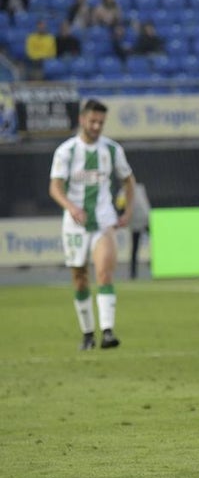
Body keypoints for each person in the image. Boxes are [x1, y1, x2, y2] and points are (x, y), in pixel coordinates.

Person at [49, 99, 134, 350]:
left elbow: (129, 181)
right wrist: (71, 207)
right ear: (82, 120)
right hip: (74, 225)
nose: (97, 126)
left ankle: (107, 331)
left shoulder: (112, 150)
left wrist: (127, 211)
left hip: (103, 221)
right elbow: (55, 187)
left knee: (105, 273)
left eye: (101, 122)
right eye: (93, 121)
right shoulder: (66, 152)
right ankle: (88, 334)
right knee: (80, 278)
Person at [117, 181, 151, 280]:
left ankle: (133, 273)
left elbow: (120, 206)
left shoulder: (123, 191)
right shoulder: (140, 188)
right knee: (154, 244)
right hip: (145, 219)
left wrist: (122, 216)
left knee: (135, 248)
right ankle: (134, 271)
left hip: (137, 221)